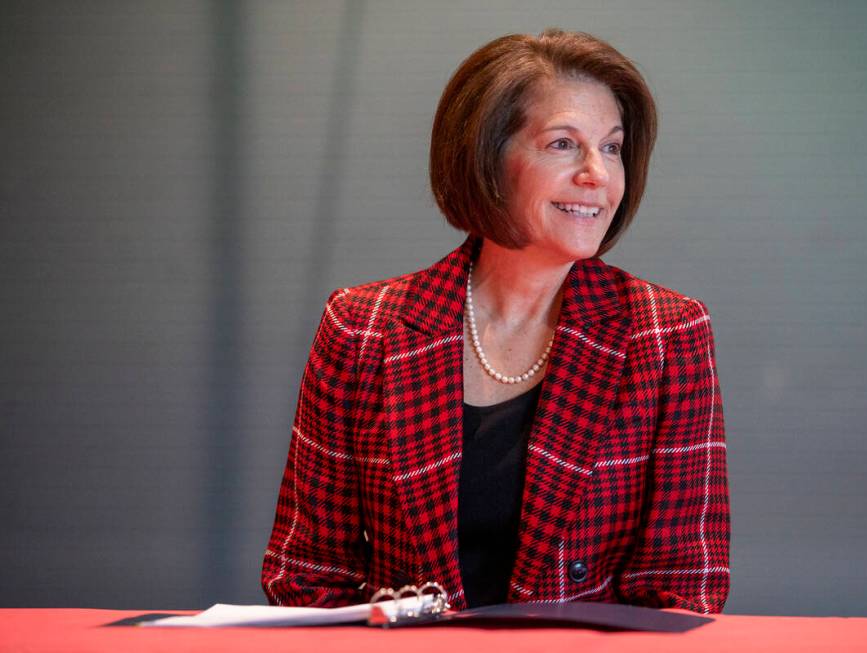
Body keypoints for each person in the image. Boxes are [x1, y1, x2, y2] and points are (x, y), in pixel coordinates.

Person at [261, 29, 730, 614]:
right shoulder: (362, 329)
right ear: (486, 158)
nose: (597, 174)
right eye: (563, 144)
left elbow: (684, 587)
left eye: (611, 148)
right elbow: (306, 577)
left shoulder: (666, 335)